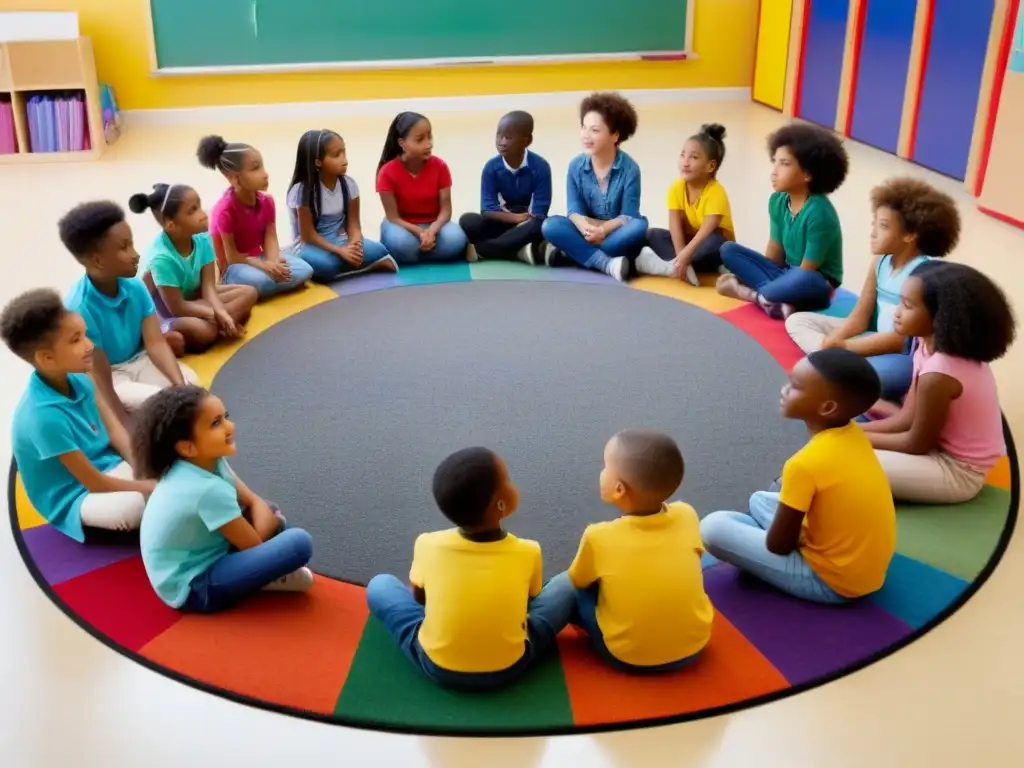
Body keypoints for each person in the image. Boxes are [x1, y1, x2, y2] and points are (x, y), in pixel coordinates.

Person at [365, 447, 575, 691]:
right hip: (510, 668)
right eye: (507, 480)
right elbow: (531, 597)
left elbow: (420, 599)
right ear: (500, 504)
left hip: (438, 668)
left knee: (380, 585)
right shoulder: (528, 550)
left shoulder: (426, 543)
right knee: (568, 584)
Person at [700, 349, 895, 603]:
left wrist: (793, 535)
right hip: (863, 567)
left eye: (795, 387)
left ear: (827, 407)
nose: (784, 390)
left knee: (713, 528)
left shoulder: (803, 465)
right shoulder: (853, 433)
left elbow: (779, 546)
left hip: (832, 583)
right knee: (760, 499)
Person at [135, 385, 314, 612]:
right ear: (187, 447)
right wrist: (272, 523)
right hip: (194, 586)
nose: (230, 427)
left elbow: (252, 499)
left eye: (225, 417)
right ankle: (264, 576)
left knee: (269, 510)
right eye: (216, 424)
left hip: (207, 550)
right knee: (299, 544)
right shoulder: (205, 490)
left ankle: (264, 565)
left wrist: (265, 514)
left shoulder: (207, 461)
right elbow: (253, 545)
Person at [786, 178, 960, 402]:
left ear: (909, 234)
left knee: (884, 376)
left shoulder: (921, 274)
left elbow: (900, 341)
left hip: (899, 353)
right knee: (797, 322)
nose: (873, 233)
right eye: (874, 224)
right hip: (869, 336)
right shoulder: (879, 262)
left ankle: (832, 366)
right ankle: (833, 365)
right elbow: (859, 317)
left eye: (884, 226)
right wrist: (835, 342)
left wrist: (845, 347)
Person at [2, 289, 151, 542]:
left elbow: (114, 429)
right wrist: (148, 486)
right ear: (47, 358)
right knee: (135, 506)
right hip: (76, 493)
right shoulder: (42, 418)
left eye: (83, 335)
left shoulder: (80, 377)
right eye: (75, 340)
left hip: (104, 461)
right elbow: (93, 482)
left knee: (158, 464)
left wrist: (141, 469)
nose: (89, 345)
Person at [862, 261, 1015, 504]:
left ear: (940, 318)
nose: (897, 312)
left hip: (958, 472)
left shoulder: (941, 371)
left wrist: (850, 437)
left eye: (908, 305)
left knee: (844, 460)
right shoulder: (926, 345)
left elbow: (916, 442)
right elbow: (906, 418)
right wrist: (848, 430)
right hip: (933, 447)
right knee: (844, 436)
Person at [566, 430, 713, 673]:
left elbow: (577, 581)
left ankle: (536, 629)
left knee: (568, 587)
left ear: (619, 489)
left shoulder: (598, 536)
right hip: (694, 648)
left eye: (605, 467)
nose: (601, 471)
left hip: (628, 657)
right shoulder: (687, 514)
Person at [60, 201, 200, 423]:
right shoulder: (79, 307)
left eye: (132, 244)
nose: (136, 254)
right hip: (113, 375)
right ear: (97, 259)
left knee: (190, 384)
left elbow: (155, 343)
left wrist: (180, 384)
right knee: (162, 402)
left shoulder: (135, 286)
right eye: (124, 247)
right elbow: (100, 376)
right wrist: (120, 423)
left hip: (141, 359)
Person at [717, 124, 849, 318]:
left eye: (785, 164)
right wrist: (763, 271)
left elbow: (807, 270)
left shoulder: (819, 213)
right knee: (728, 250)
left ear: (807, 173)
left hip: (816, 282)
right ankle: (774, 300)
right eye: (775, 162)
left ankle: (755, 295)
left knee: (799, 279)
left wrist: (754, 279)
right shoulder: (777, 201)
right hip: (785, 273)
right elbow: (774, 254)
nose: (774, 171)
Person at [131, 184, 258, 354]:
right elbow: (177, 308)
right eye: (192, 211)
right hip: (168, 314)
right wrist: (216, 313)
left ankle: (220, 326)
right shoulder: (162, 259)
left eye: (198, 206)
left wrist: (219, 312)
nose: (203, 215)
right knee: (204, 330)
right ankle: (169, 334)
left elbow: (208, 288)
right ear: (171, 225)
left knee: (249, 293)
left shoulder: (202, 237)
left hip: (195, 299)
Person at [541, 92, 647, 282]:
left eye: (595, 131)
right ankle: (606, 264)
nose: (586, 136)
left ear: (615, 134)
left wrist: (604, 230)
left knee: (639, 226)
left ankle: (574, 253)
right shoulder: (576, 166)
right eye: (584, 128)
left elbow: (628, 215)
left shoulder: (630, 169)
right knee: (551, 226)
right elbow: (574, 211)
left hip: (614, 234)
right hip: (586, 232)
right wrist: (585, 228)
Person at [198, 134, 314, 299]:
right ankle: (253, 285)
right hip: (236, 266)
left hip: (260, 259)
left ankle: (267, 284)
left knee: (305, 270)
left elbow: (271, 237)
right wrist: (265, 266)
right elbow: (232, 257)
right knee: (264, 281)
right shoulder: (224, 210)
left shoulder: (267, 201)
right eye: (255, 168)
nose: (265, 174)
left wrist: (273, 261)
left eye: (262, 166)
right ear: (235, 179)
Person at [285, 128, 397, 281]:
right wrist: (340, 251)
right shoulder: (302, 192)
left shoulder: (349, 185)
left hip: (340, 240)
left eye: (343, 152)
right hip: (313, 245)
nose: (344, 160)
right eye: (336, 155)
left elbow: (354, 225)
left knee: (379, 249)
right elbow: (308, 236)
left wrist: (354, 246)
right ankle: (365, 268)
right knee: (325, 265)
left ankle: (347, 269)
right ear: (318, 162)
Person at [635, 123, 735, 285]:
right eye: (682, 155)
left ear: (710, 166)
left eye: (694, 157)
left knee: (716, 238)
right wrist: (682, 257)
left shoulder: (716, 192)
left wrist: (684, 257)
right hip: (689, 249)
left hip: (711, 250)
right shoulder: (676, 187)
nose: (685, 162)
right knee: (652, 234)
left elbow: (705, 233)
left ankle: (669, 267)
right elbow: (674, 226)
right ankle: (682, 267)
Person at [458, 111, 552, 264]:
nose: (501, 142)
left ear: (527, 141)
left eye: (508, 138)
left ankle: (483, 250)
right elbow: (487, 209)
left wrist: (523, 220)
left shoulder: (540, 167)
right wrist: (515, 218)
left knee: (541, 225)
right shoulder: (491, 167)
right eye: (498, 136)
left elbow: (540, 212)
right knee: (468, 221)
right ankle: (519, 250)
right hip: (503, 221)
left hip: (528, 223)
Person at [375, 112, 468, 264]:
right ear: (402, 143)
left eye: (429, 137)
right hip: (403, 227)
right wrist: (420, 232)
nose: (428, 144)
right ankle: (427, 252)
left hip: (435, 225)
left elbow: (446, 210)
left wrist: (431, 231)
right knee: (401, 243)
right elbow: (393, 217)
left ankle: (416, 254)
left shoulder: (440, 166)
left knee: (456, 237)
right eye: (420, 139)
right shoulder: (387, 172)